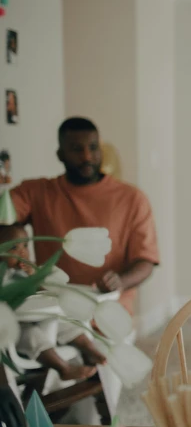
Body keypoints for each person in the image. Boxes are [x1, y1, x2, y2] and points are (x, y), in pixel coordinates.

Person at [10, 117, 159, 318]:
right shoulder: (37, 192)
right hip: (52, 307)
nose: (87, 156)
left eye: (93, 147)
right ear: (60, 154)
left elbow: (146, 260)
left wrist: (120, 281)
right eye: (76, 149)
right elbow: (5, 217)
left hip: (107, 308)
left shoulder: (132, 198)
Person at [0, 224, 106, 380]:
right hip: (18, 326)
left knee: (68, 323)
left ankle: (89, 348)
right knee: (31, 336)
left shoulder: (31, 270)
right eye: (14, 247)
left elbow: (47, 290)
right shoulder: (3, 277)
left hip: (41, 316)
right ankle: (64, 369)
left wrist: (35, 276)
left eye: (25, 245)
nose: (22, 252)